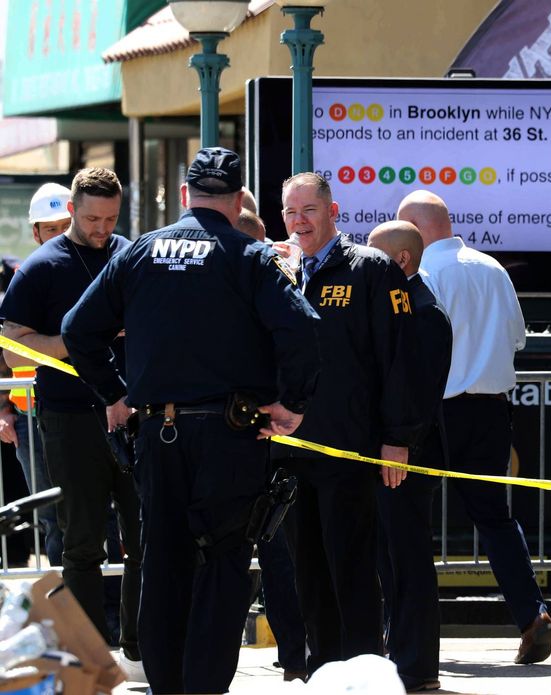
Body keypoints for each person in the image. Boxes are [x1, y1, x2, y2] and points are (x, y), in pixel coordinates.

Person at [61, 147, 320, 694]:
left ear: (184, 196)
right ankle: (204, 686)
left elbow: (78, 329)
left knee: (163, 560)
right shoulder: (248, 256)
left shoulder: (140, 254)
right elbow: (304, 330)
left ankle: (167, 685)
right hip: (231, 435)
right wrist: (292, 406)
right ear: (235, 202)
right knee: (224, 562)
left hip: (158, 432)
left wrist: (116, 395)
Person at [269, 173, 422, 675]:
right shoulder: (275, 270)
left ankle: (363, 672)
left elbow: (399, 360)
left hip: (349, 450)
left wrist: (395, 439)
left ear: (333, 212)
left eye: (308, 210)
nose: (298, 221)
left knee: (352, 569)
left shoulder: (370, 268)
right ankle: (321, 671)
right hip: (289, 452)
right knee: (307, 571)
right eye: (290, 212)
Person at [398, 189, 551, 665]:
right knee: (495, 518)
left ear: (417, 231)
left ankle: (405, 633)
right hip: (490, 408)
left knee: (406, 520)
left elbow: (416, 347)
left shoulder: (424, 273)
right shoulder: (493, 268)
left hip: (435, 411)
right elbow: (517, 338)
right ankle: (533, 616)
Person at [0, 168, 144, 677]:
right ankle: (90, 653)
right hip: (69, 418)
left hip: (131, 413)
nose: (102, 228)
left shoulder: (131, 255)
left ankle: (137, 645)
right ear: (71, 213)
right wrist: (78, 342)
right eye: (90, 219)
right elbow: (13, 342)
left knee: (143, 535)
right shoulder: (42, 266)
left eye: (110, 218)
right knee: (80, 541)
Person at [368, 220, 453, 692]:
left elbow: (417, 394)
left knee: (409, 561)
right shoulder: (401, 307)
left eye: (376, 256)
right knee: (390, 561)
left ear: (401, 260)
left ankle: (417, 664)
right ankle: (400, 653)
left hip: (408, 458)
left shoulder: (424, 312)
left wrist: (400, 444)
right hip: (390, 457)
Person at [239, 206, 307, 681]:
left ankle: (291, 650)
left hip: (237, 436)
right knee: (278, 544)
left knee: (259, 547)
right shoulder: (273, 282)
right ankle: (294, 652)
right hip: (269, 434)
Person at [0, 182, 72, 565]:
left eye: (65, 225)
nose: (58, 235)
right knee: (51, 519)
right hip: (31, 422)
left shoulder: (94, 274)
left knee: (100, 515)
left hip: (85, 414)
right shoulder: (22, 282)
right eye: (50, 228)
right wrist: (2, 409)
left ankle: (104, 616)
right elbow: (3, 356)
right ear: (35, 233)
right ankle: (68, 615)